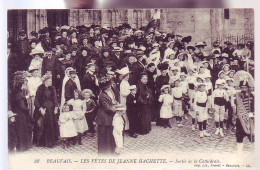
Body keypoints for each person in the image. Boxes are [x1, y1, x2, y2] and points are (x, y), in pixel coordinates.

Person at [33, 74, 59, 148]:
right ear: (45, 81)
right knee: (44, 124)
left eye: (51, 81)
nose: (51, 82)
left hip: (51, 109)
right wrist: (40, 108)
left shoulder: (52, 88)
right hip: (43, 109)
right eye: (49, 81)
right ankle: (43, 142)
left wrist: (56, 107)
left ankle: (52, 142)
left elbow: (55, 99)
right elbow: (36, 100)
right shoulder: (40, 88)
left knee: (51, 123)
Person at [11, 71, 33, 151]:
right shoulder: (19, 93)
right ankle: (23, 147)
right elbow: (22, 106)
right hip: (21, 114)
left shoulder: (14, 91)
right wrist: (28, 110)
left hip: (16, 113)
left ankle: (21, 147)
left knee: (20, 131)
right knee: (22, 130)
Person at [96, 76, 118, 155]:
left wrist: (115, 105)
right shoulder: (103, 95)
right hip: (104, 118)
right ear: (106, 87)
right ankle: (105, 153)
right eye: (109, 85)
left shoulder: (106, 94)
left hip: (107, 117)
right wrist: (117, 110)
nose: (110, 86)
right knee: (105, 135)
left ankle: (110, 151)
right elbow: (107, 108)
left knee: (109, 135)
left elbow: (110, 104)